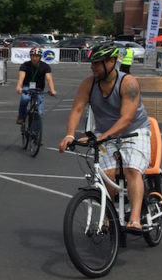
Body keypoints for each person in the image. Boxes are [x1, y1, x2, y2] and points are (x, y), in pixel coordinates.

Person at [59, 43, 151, 235]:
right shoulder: (89, 83)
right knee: (105, 176)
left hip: (134, 132)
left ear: (111, 62)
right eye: (92, 64)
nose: (93, 68)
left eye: (97, 64)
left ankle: (134, 219)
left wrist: (100, 137)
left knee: (132, 170)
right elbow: (77, 109)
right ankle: (108, 217)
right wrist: (70, 134)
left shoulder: (128, 83)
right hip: (105, 134)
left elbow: (126, 119)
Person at [15, 47, 58, 124]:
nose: (35, 58)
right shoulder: (25, 65)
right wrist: (19, 87)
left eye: (37, 56)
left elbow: (49, 79)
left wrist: (52, 90)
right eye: (33, 56)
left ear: (40, 57)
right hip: (27, 87)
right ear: (30, 56)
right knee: (25, 98)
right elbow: (21, 77)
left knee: (40, 112)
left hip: (39, 88)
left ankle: (35, 133)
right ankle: (21, 116)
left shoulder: (45, 66)